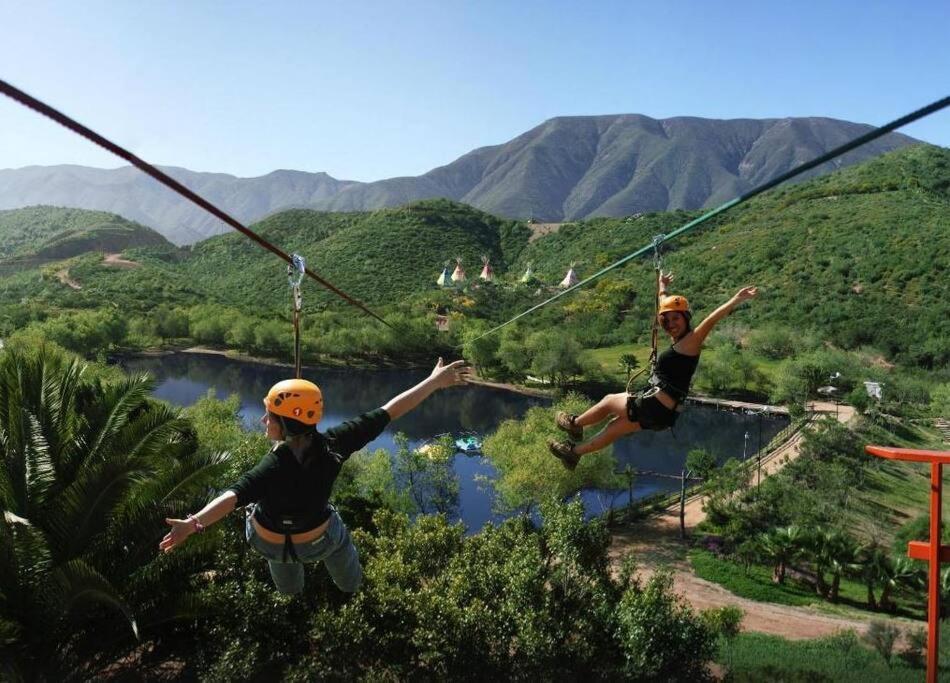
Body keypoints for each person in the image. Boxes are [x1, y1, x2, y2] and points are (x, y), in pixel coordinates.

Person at [159, 358, 471, 594]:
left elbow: (232, 497)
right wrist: (434, 382)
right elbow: (390, 410)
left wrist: (193, 524)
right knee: (337, 535)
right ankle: (350, 586)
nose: (264, 419)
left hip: (266, 542)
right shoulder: (336, 444)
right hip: (317, 542)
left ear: (289, 424)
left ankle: (291, 591)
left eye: (271, 415)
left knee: (272, 538)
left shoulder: (272, 467)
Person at [549, 271, 758, 469]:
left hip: (654, 407)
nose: (671, 324)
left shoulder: (692, 341)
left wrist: (736, 299)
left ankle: (575, 423)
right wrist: (662, 287)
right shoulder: (679, 341)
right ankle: (574, 452)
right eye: (666, 321)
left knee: (610, 401)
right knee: (613, 429)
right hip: (662, 414)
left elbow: (711, 320)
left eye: (676, 318)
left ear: (686, 318)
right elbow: (663, 308)